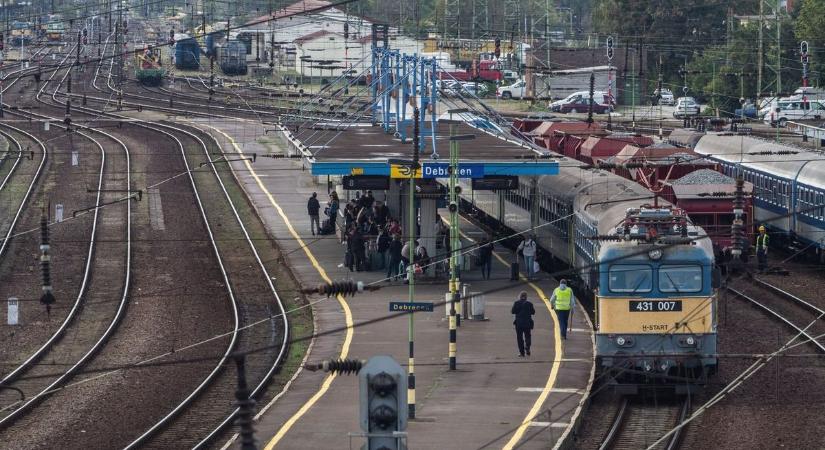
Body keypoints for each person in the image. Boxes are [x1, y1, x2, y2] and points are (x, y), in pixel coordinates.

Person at [511, 291, 535, 357]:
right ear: (526, 297)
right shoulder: (530, 304)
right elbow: (533, 312)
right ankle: (527, 347)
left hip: (519, 323)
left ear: (520, 296)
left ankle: (522, 353)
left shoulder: (516, 303)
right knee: (528, 336)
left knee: (519, 338)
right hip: (527, 323)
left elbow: (513, 311)